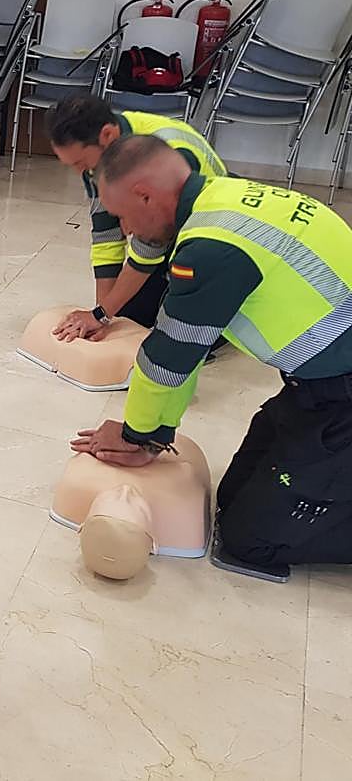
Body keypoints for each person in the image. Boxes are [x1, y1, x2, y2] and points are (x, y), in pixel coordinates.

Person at [71, 135, 352, 573]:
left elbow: (168, 359)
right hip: (317, 386)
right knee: (233, 493)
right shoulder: (228, 193)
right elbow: (188, 351)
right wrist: (155, 433)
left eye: (124, 215)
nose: (125, 230)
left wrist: (135, 435)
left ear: (146, 195)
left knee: (245, 541)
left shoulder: (212, 248)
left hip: (341, 395)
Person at [45, 94, 228, 341]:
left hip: (212, 239)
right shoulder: (100, 159)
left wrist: (101, 315)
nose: (80, 172)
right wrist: (103, 315)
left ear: (107, 135)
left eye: (79, 162)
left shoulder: (169, 155)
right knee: (129, 317)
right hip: (165, 233)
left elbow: (150, 245)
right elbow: (106, 234)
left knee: (179, 336)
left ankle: (227, 312)